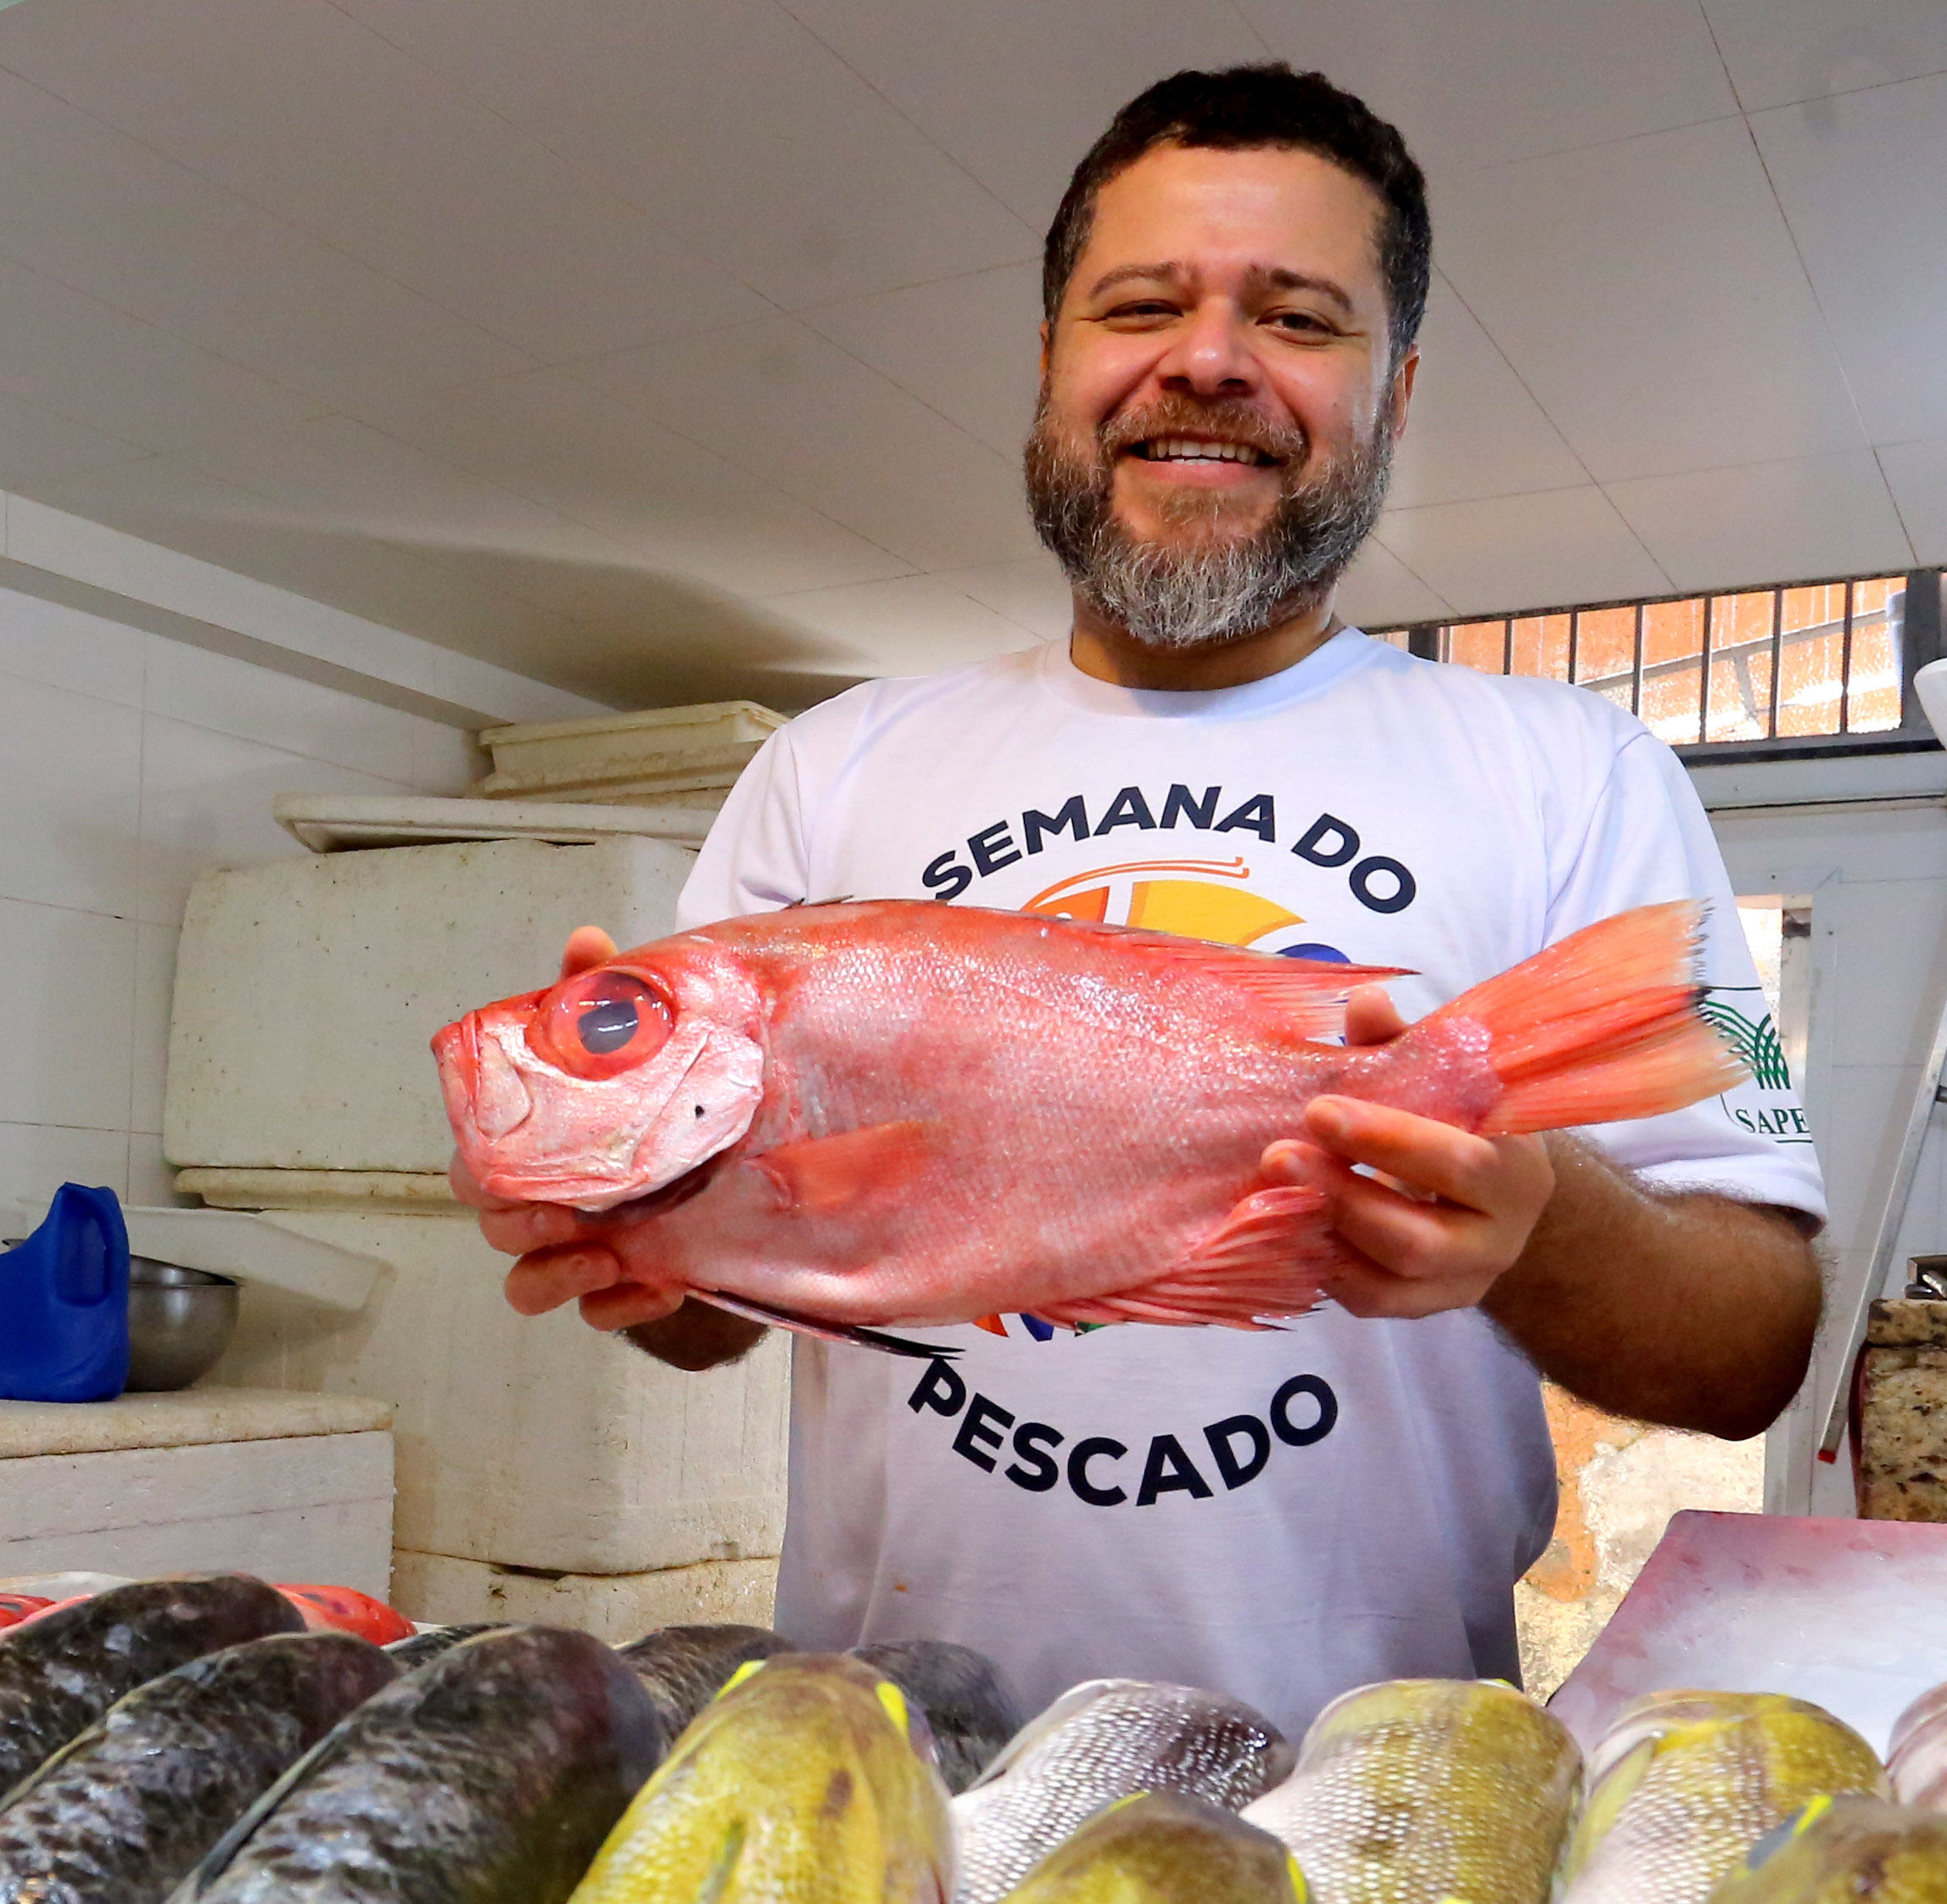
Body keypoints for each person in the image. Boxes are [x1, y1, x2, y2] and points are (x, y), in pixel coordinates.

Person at [473, 64, 1829, 1727]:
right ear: (1051, 367)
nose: (1207, 359)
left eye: (1298, 316)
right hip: (900, 1756)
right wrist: (643, 1233)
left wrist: (1539, 1221)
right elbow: (715, 1331)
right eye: (1139, 304)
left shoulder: (1593, 774)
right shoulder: (823, 772)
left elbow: (1760, 1337)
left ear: (1394, 396)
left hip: (1371, 1775)